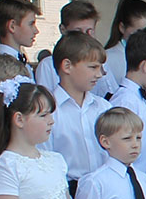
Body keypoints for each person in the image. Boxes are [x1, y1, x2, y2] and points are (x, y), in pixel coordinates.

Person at [44, 31, 108, 189]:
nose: (99, 74)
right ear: (67, 66)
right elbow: (45, 159)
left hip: (105, 188)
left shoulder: (103, 107)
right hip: (67, 189)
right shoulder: (49, 111)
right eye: (93, 67)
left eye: (100, 68)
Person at [33, 0, 98, 94]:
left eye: (89, 31)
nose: (84, 37)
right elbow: (45, 99)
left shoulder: (99, 62)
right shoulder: (48, 65)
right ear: (63, 30)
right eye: (77, 32)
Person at [0, 0, 41, 64]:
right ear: (12, 26)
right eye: (31, 24)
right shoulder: (3, 66)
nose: (36, 31)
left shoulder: (18, 59)